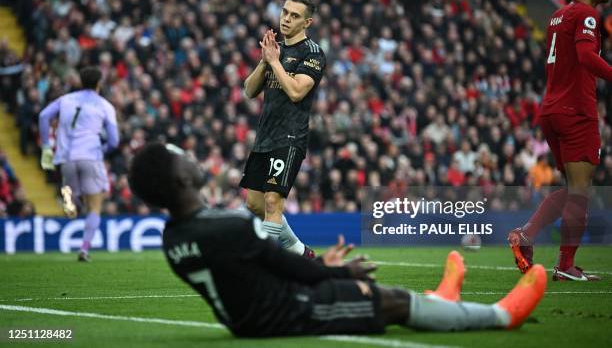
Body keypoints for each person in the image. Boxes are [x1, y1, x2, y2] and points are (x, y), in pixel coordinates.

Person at [128, 142, 547, 338]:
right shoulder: (228, 226)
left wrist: (319, 271)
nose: (193, 155)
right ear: (181, 178)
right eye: (182, 154)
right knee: (391, 300)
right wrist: (333, 268)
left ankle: (442, 303)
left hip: (257, 310)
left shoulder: (173, 236)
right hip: (285, 312)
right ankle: (500, 316)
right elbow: (287, 266)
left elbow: (251, 269)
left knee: (375, 293)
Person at [508, 0, 612, 281]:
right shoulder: (588, 15)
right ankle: (566, 265)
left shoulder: (557, 15)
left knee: (572, 190)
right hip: (576, 111)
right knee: (581, 191)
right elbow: (584, 56)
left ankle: (527, 234)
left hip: (551, 110)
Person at [241, 0, 327, 257]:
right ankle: (299, 250)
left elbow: (296, 92)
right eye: (285, 12)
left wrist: (275, 61)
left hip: (290, 138)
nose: (286, 19)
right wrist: (265, 60)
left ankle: (262, 265)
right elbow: (249, 90)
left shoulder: (313, 53)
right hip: (265, 136)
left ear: (307, 23)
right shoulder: (275, 49)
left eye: (295, 15)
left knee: (272, 201)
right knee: (255, 203)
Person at [39, 66, 119, 262]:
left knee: (71, 196)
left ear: (80, 82)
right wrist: (104, 148)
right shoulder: (104, 105)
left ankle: (69, 199)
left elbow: (43, 116)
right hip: (91, 157)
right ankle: (84, 249)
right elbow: (114, 141)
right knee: (95, 206)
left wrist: (46, 147)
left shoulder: (65, 100)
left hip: (66, 158)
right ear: (99, 83)